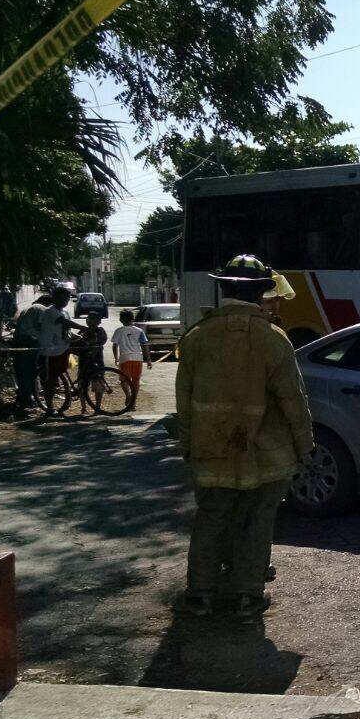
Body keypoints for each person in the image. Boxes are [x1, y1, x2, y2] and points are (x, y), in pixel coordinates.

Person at [175, 254, 313, 617]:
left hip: (210, 449)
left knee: (210, 517)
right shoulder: (274, 340)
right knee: (257, 521)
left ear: (222, 288)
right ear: (261, 292)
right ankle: (247, 596)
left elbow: (184, 402)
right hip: (265, 455)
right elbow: (292, 401)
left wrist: (188, 446)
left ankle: (199, 595)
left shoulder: (196, 337)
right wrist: (305, 445)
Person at [38, 287, 86, 403]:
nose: (65, 301)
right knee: (51, 380)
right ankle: (50, 406)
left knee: (85, 349)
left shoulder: (64, 312)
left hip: (63, 348)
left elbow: (67, 329)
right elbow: (64, 322)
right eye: (62, 299)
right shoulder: (50, 311)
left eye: (67, 299)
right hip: (50, 350)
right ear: (54, 299)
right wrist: (83, 327)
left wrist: (77, 336)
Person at [12, 293, 51, 410]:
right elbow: (41, 326)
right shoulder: (43, 309)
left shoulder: (27, 309)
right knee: (31, 371)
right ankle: (29, 398)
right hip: (30, 341)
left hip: (18, 340)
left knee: (21, 371)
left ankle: (22, 397)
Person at [111, 309, 152, 402]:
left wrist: (116, 358)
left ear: (121, 320)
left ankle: (128, 395)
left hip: (124, 358)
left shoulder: (118, 331)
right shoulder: (139, 331)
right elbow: (144, 346)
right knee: (136, 380)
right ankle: (133, 401)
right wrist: (149, 360)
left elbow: (114, 346)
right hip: (137, 358)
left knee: (124, 380)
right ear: (133, 319)